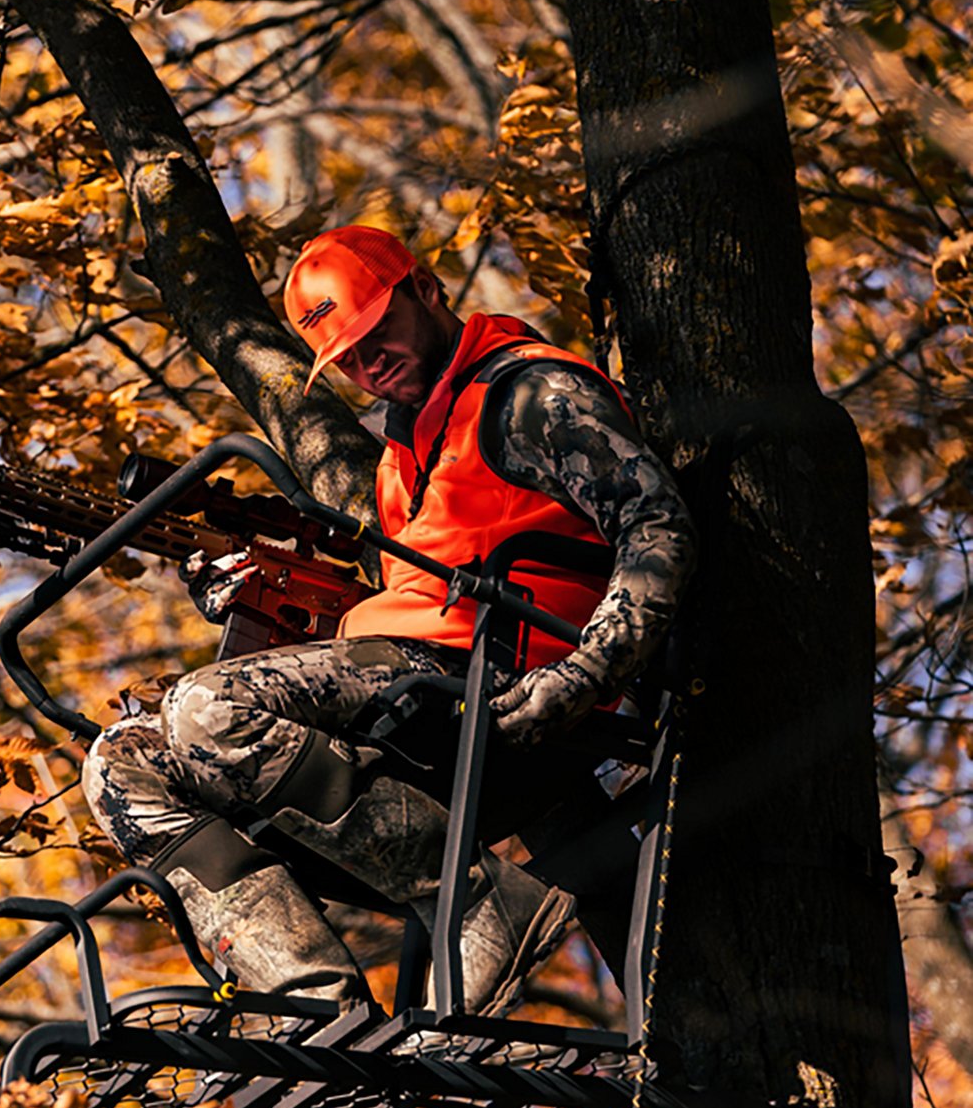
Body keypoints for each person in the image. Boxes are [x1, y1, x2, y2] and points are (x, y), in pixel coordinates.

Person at [82, 225, 697, 1013]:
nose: (368, 365)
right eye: (346, 358)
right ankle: (310, 1008)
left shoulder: (532, 395)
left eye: (377, 333)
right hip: (417, 686)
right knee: (120, 765)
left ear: (428, 290)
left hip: (506, 681)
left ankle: (479, 901)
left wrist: (584, 675)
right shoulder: (401, 455)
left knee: (208, 709)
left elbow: (657, 527)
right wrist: (262, 596)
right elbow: (404, 611)